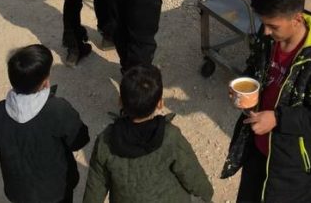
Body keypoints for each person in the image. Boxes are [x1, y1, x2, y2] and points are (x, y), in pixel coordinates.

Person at [221, 0, 311, 203]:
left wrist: (278, 119)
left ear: (296, 19)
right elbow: (255, 66)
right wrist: (244, 87)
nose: (266, 31)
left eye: (273, 26)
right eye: (263, 23)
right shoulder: (269, 36)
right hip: (258, 151)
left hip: (292, 169)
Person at [82, 64, 213, 203]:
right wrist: (207, 194)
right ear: (160, 103)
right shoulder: (170, 136)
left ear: (120, 101)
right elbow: (191, 173)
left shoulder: (106, 140)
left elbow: (94, 188)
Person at [0, 44, 90, 203]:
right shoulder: (57, 109)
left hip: (19, 192)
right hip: (57, 192)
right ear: (44, 82)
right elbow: (80, 139)